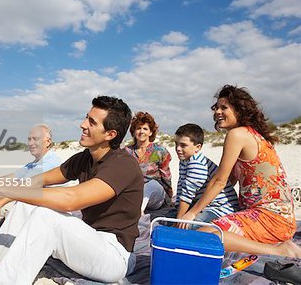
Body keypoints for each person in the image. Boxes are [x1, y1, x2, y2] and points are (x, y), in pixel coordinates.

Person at [0, 96, 143, 284]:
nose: (82, 125)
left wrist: (2, 189)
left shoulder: (123, 164)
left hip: (113, 256)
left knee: (46, 216)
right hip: (87, 240)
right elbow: (37, 180)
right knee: (27, 206)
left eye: (92, 122)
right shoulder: (85, 158)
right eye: (86, 117)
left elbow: (72, 199)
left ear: (110, 134)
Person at [180, 85, 301, 257]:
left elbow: (219, 181)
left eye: (224, 107)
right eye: (216, 107)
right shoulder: (252, 134)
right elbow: (229, 181)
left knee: (203, 235)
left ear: (239, 110)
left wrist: (192, 212)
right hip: (281, 218)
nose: (217, 112)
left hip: (271, 219)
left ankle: (279, 250)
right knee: (208, 230)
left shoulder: (237, 135)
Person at [0, 124, 61, 248]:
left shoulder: (50, 161)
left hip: (37, 206)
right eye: (29, 139)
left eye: (36, 139)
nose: (31, 143)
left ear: (48, 141)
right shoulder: (33, 164)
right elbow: (8, 180)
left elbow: (23, 188)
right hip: (23, 199)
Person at [173, 123, 239, 229]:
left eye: (183, 145)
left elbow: (187, 195)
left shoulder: (196, 164)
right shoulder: (185, 160)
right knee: (170, 216)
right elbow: (182, 185)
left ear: (197, 147)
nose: (178, 149)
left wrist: (178, 221)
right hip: (204, 205)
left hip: (221, 208)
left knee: (188, 226)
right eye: (176, 144)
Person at [124, 111, 172, 213]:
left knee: (151, 185)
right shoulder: (127, 152)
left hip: (156, 195)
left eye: (145, 129)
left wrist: (169, 198)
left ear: (150, 132)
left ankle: (139, 212)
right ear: (134, 131)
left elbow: (166, 177)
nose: (141, 131)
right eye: (138, 128)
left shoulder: (159, 151)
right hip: (134, 193)